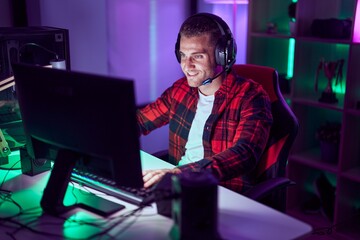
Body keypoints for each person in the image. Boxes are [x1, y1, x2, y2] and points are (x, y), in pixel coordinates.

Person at [137, 12, 273, 194]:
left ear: (222, 56)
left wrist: (178, 173)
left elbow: (244, 153)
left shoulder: (252, 97)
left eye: (198, 56)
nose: (187, 65)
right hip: (179, 188)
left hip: (222, 194)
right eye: (183, 55)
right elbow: (141, 120)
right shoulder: (180, 90)